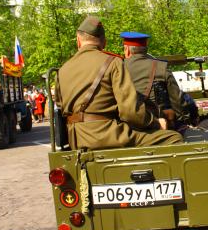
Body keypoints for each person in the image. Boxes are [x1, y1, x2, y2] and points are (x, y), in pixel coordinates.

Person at [55, 16, 182, 150]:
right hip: (108, 136)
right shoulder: (112, 63)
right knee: (173, 138)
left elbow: (61, 108)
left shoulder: (62, 71)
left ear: (78, 41)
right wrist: (156, 122)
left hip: (76, 139)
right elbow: (130, 112)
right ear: (104, 42)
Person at [121, 31, 195, 130]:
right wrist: (183, 121)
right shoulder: (161, 67)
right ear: (145, 49)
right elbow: (177, 100)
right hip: (160, 125)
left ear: (127, 50)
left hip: (128, 126)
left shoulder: (118, 67)